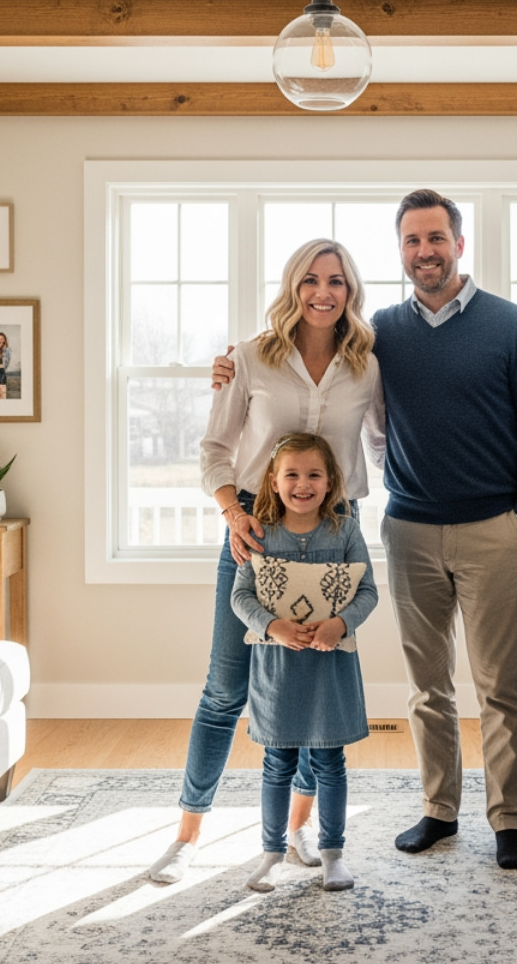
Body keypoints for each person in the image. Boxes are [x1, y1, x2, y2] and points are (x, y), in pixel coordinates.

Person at [211, 190, 517, 870]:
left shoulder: (511, 325)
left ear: (459, 244)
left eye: (436, 238)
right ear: (399, 252)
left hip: (494, 526)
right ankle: (439, 810)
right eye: (411, 241)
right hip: (409, 527)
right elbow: (320, 386)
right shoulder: (380, 337)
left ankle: (509, 821)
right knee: (427, 686)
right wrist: (226, 366)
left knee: (500, 685)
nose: (425, 251)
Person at [147, 238, 383, 886]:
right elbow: (214, 449)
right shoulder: (250, 358)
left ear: (351, 290)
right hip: (255, 522)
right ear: (292, 286)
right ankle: (187, 837)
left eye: (336, 280)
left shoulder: (367, 365)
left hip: (336, 529)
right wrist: (232, 512)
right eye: (310, 279)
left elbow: (388, 442)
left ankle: (300, 828)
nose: (322, 292)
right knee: (225, 689)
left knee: (313, 687)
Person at [232, 432, 375, 894]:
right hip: (278, 671)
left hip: (330, 667)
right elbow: (240, 595)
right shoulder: (261, 533)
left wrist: (342, 623)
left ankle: (333, 854)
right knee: (277, 764)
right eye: (291, 475)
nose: (303, 484)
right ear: (273, 482)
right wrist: (273, 626)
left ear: (331, 481)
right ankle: (272, 854)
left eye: (314, 474)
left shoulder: (346, 531)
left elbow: (368, 591)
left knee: (331, 762)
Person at [0, 331, 12, 398]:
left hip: (1, 376)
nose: (0, 340)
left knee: (3, 396)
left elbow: (4, 365)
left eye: (2, 338)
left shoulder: (7, 350)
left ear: (5, 340)